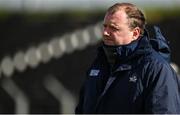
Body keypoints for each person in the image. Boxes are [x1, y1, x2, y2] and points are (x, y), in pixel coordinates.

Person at [75, 2, 180, 114]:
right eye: (105, 26)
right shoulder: (99, 63)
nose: (105, 32)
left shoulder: (156, 69)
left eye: (113, 28)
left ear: (135, 33)